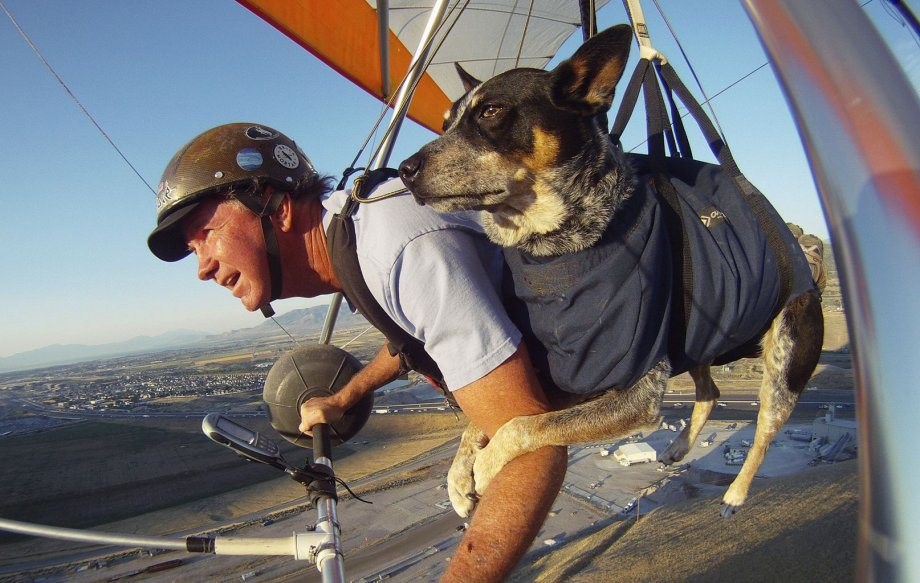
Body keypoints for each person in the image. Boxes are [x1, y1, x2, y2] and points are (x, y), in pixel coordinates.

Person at [147, 122, 566, 582]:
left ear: (276, 208)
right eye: (193, 250)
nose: (202, 268)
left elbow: (532, 444)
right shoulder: (359, 239)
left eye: (207, 233)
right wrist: (343, 398)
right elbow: (414, 337)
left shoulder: (395, 247)